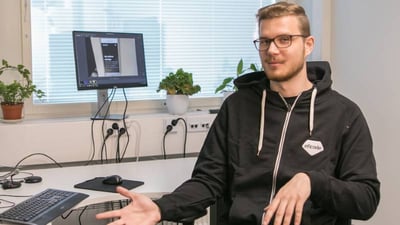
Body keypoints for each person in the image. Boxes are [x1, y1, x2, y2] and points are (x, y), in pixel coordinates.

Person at [96, 2, 380, 225]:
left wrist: (312, 182)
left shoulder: (344, 115)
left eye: (284, 39)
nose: (272, 50)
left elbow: (366, 199)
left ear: (308, 45)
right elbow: (208, 182)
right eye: (265, 41)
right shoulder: (237, 107)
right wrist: (161, 207)